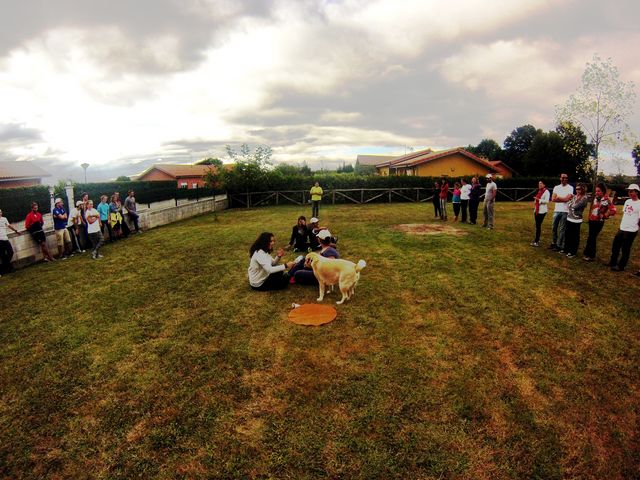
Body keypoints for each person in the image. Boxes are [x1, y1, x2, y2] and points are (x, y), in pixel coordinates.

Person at [608, 184, 640, 272]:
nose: (629, 193)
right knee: (616, 246)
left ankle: (621, 266)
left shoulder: (639, 204)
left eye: (631, 191)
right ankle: (613, 261)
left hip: (631, 230)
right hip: (622, 228)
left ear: (636, 192)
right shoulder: (627, 202)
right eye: (629, 191)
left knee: (625, 248)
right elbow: (625, 214)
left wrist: (635, 227)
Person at [582, 183, 616, 262]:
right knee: (590, 237)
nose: (597, 192)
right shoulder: (595, 198)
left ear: (603, 191)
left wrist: (604, 216)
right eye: (596, 191)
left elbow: (613, 210)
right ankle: (587, 253)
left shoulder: (606, 200)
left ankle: (591, 256)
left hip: (598, 222)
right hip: (592, 220)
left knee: (592, 237)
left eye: (599, 191)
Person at [548, 173, 574, 252]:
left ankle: (559, 245)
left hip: (565, 211)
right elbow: (553, 199)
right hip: (557, 210)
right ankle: (554, 243)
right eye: (562, 178)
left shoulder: (570, 188)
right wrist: (561, 198)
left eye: (566, 178)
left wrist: (558, 198)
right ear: (560, 178)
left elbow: (567, 199)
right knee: (554, 228)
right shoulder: (556, 187)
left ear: (567, 179)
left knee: (562, 229)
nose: (564, 179)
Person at [563, 183, 588, 258]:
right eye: (576, 189)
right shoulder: (575, 196)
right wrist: (571, 204)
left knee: (575, 236)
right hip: (569, 218)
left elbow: (574, 206)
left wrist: (571, 203)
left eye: (579, 189)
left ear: (583, 189)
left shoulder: (584, 198)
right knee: (568, 235)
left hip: (576, 220)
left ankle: (573, 252)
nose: (577, 190)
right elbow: (569, 205)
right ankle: (567, 249)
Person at [0, 208, 21, 276]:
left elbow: (9, 226)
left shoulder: (4, 219)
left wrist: (16, 231)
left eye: (0, 212)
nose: (0, 213)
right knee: (2, 255)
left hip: (5, 238)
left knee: (10, 252)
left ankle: (3, 267)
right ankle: (9, 269)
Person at [530, 180, 550, 247]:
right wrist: (535, 200)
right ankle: (537, 239)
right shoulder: (539, 191)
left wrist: (538, 200)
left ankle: (537, 241)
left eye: (541, 184)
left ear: (544, 185)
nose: (539, 185)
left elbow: (547, 201)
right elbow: (536, 199)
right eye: (539, 184)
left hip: (542, 211)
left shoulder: (546, 192)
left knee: (538, 226)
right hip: (537, 210)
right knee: (537, 225)